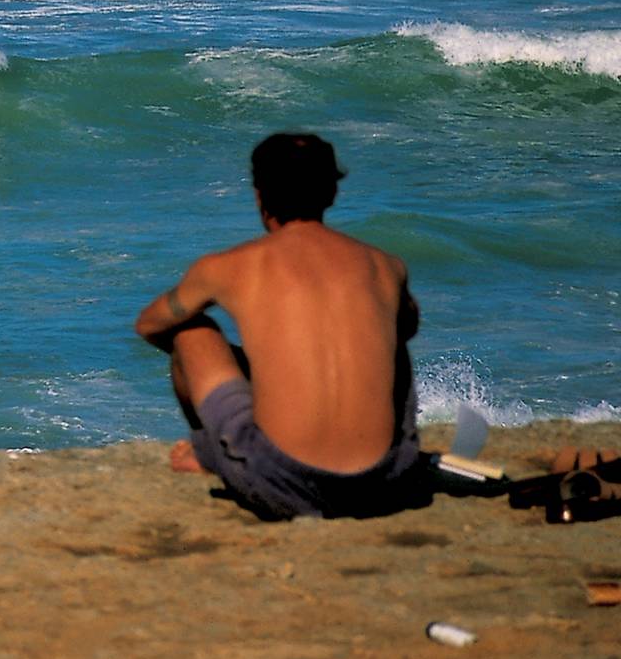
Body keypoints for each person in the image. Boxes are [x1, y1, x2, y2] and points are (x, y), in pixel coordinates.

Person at [133, 133, 428, 519]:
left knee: (192, 331)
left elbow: (149, 324)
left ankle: (209, 450)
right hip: (385, 480)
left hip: (283, 484)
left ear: (259, 195)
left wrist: (257, 374)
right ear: (332, 193)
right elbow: (408, 329)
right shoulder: (384, 265)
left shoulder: (228, 266)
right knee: (392, 339)